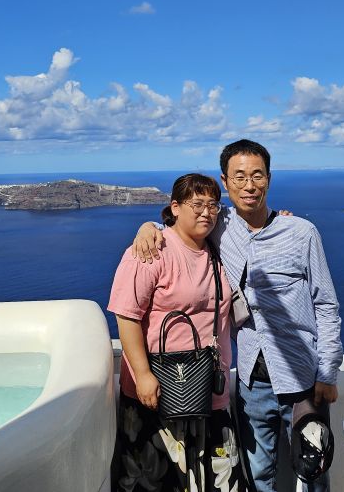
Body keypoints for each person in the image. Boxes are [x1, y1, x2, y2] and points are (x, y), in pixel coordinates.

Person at [131, 140, 342, 492]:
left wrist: (328, 372)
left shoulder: (301, 233)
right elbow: (181, 223)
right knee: (258, 475)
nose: (249, 185)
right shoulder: (220, 225)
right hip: (251, 383)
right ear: (225, 182)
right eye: (239, 177)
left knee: (314, 472)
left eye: (257, 175)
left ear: (269, 179)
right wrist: (148, 227)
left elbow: (326, 304)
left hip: (302, 378)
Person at [109, 173, 245, 492]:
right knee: (158, 481)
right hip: (160, 391)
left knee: (220, 479)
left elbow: (252, 222)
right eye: (197, 204)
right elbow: (126, 316)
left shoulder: (216, 249)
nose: (206, 212)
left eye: (213, 205)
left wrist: (282, 220)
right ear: (175, 207)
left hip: (208, 389)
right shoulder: (150, 252)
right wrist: (143, 375)